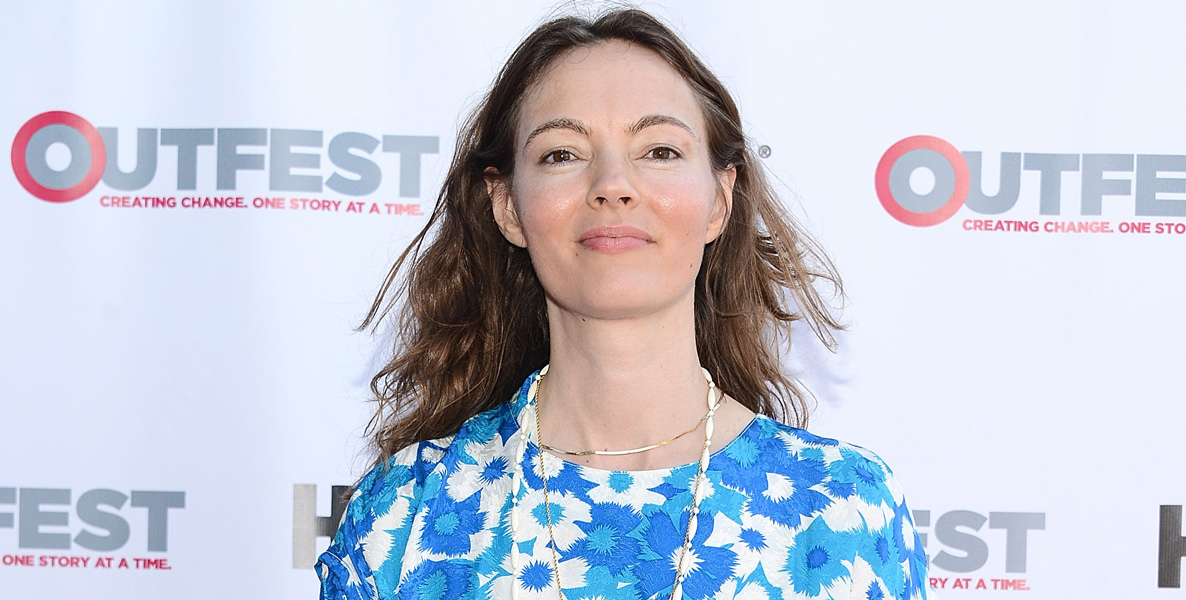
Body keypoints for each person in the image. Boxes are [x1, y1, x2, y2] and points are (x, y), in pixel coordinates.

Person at [318, 8, 930, 600]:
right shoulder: (402, 517)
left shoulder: (845, 511)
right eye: (562, 153)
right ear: (508, 207)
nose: (613, 184)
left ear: (720, 198)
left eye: (659, 151)